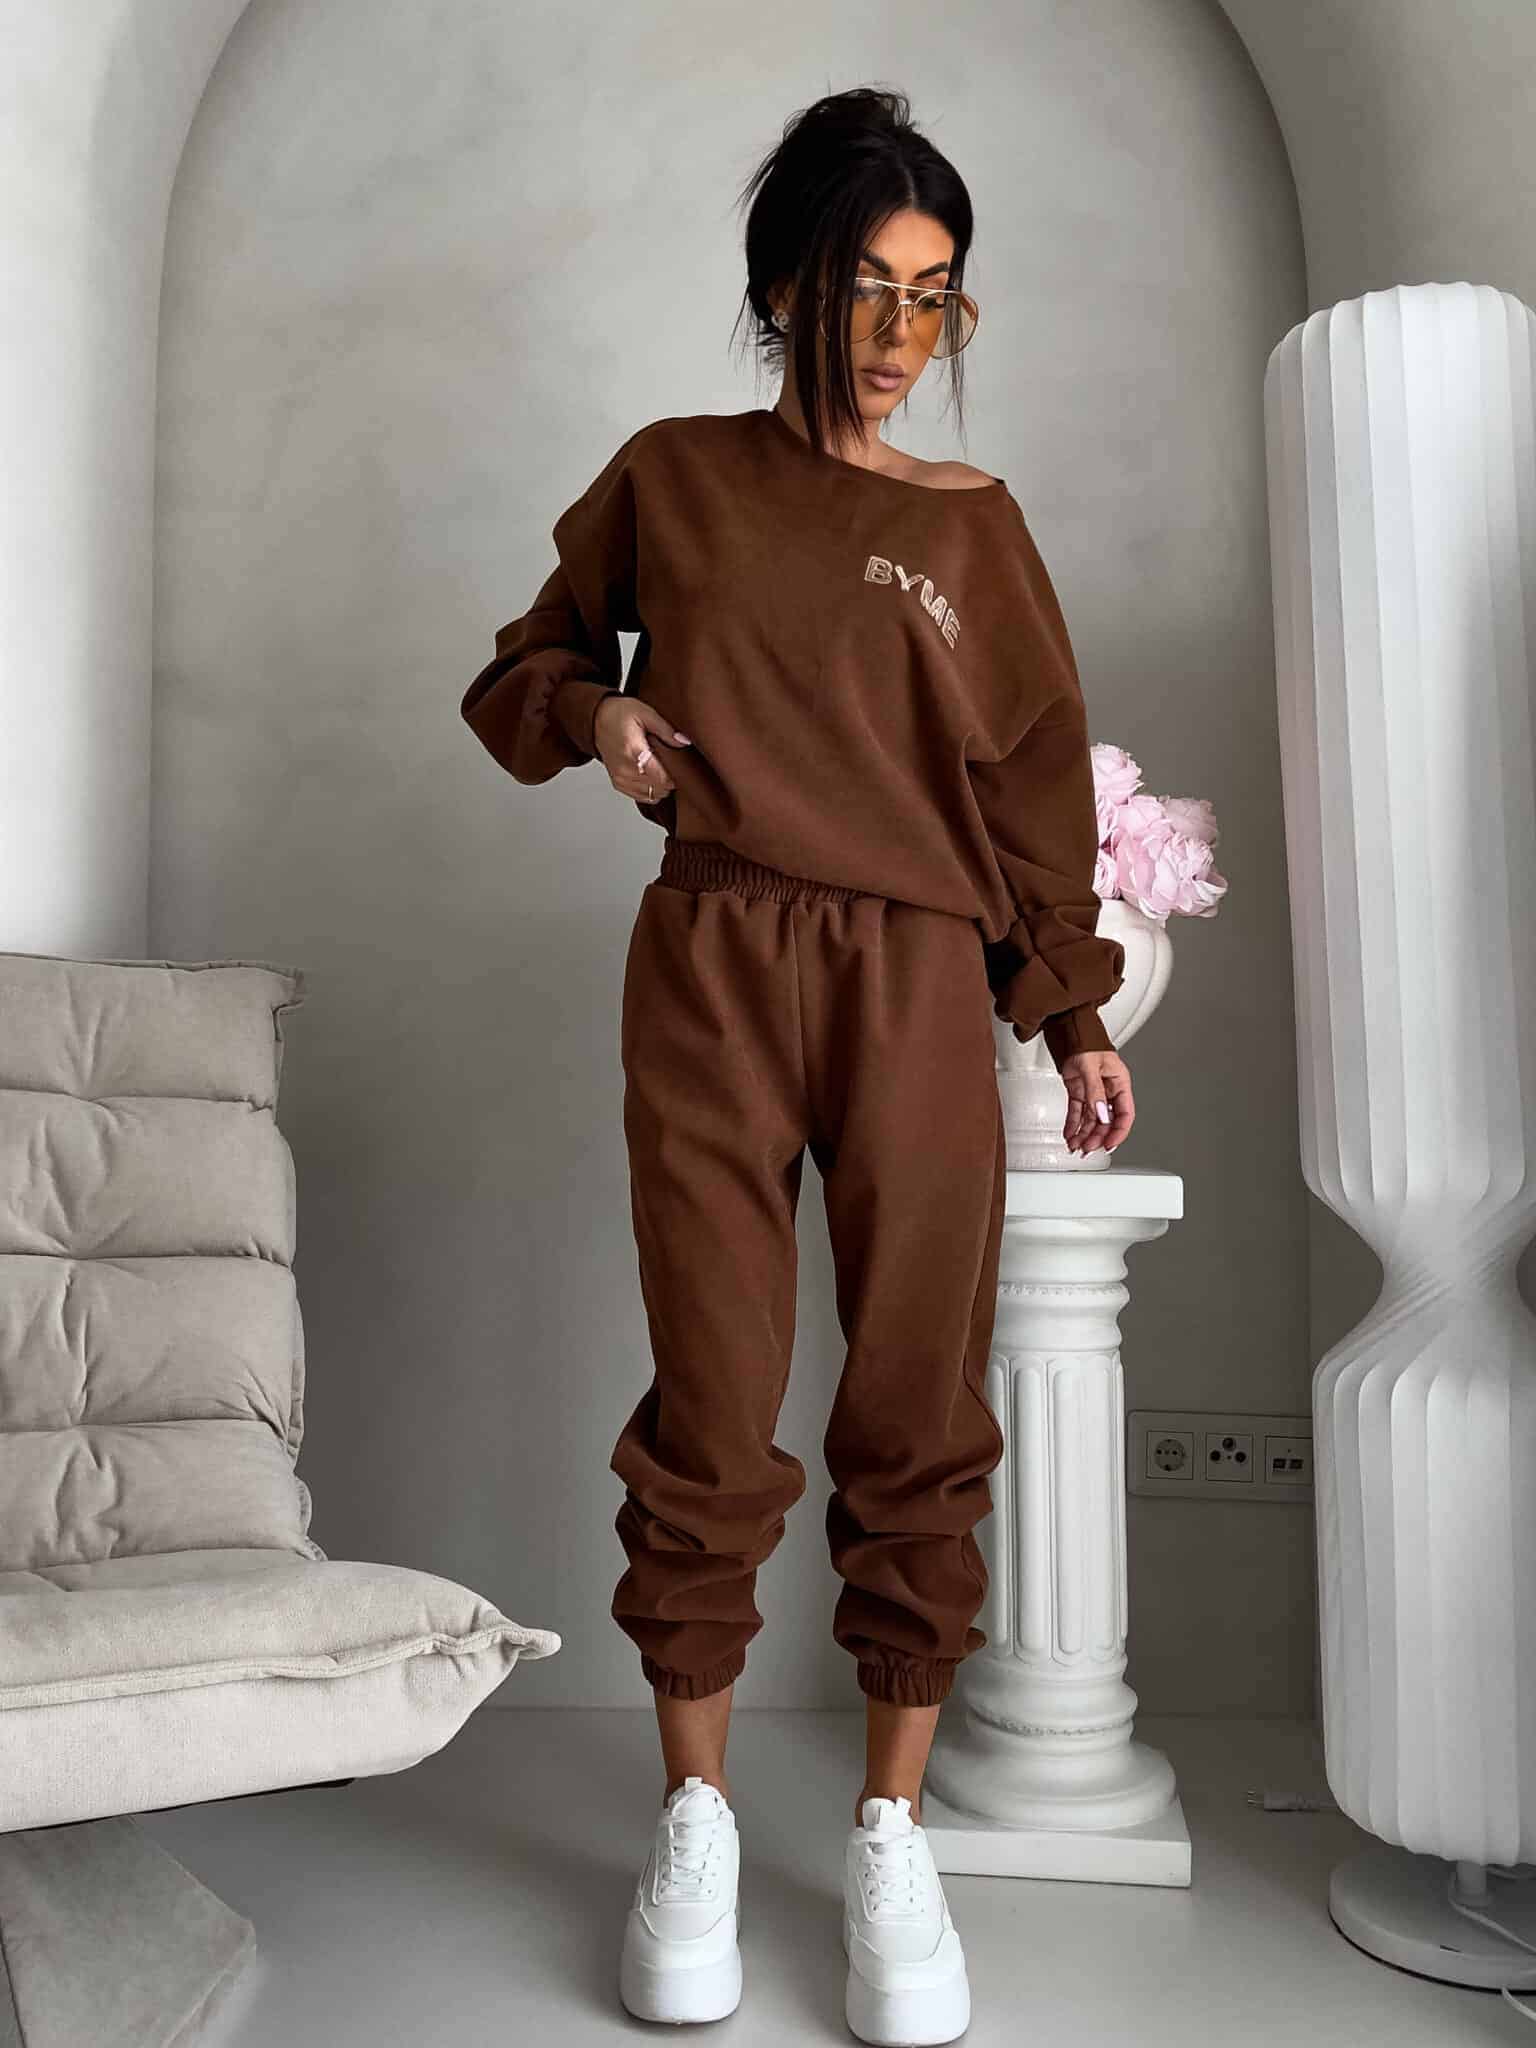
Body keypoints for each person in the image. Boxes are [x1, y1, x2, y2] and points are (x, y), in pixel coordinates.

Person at [461, 82, 1136, 2048]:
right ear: (786, 290)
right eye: (868, 287)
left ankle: (890, 1837)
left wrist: (1073, 1009)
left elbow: (1029, 796)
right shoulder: (673, 478)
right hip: (714, 954)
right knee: (714, 1396)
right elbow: (522, 668)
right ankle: (693, 1819)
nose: (904, 331)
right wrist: (600, 721)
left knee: (917, 1402)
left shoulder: (976, 528)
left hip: (919, 977)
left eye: (937, 293)